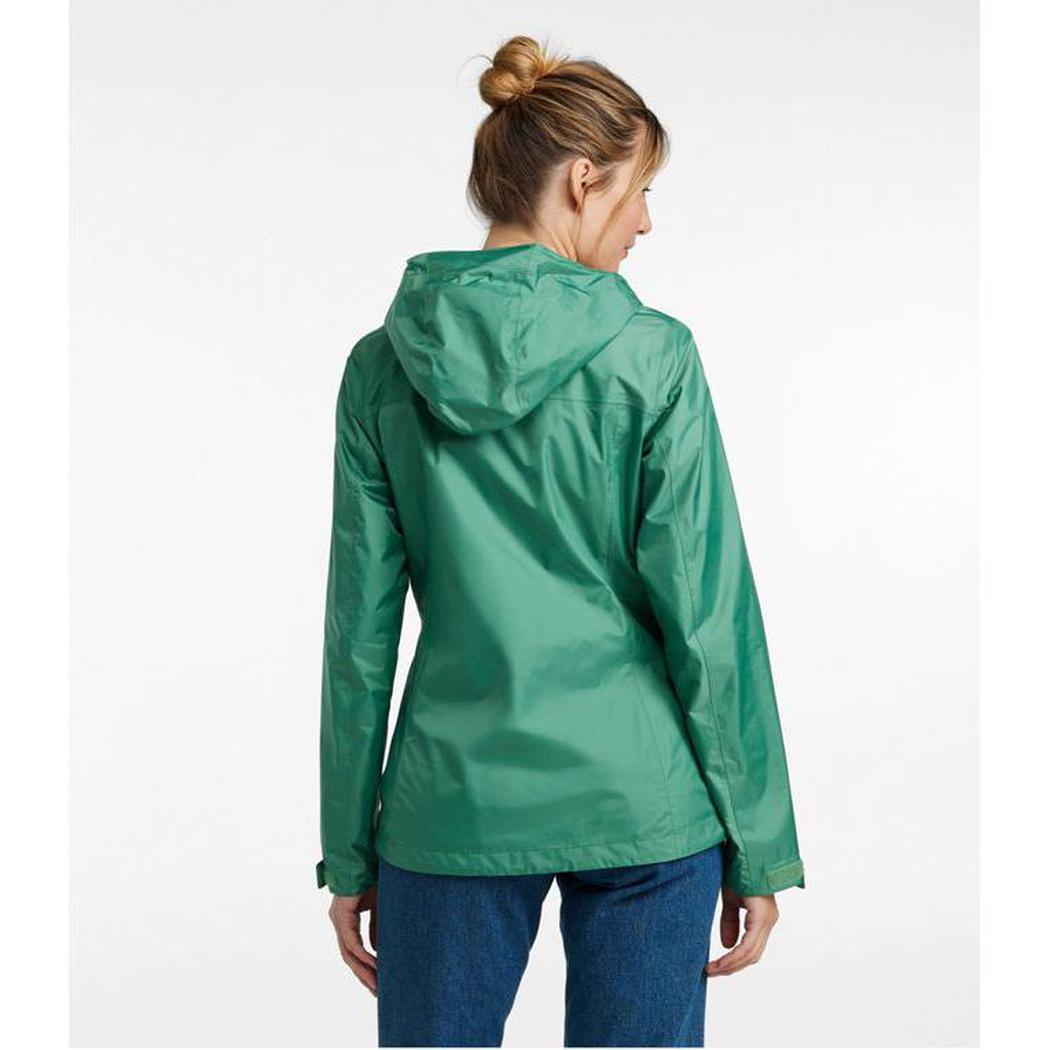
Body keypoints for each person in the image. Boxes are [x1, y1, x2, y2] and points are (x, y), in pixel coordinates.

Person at [316, 33, 805, 1048]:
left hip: (452, 806)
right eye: (639, 191)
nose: (645, 221)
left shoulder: (380, 368)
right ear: (584, 180)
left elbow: (358, 639)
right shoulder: (652, 357)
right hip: (643, 800)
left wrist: (349, 852)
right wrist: (760, 844)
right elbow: (708, 618)